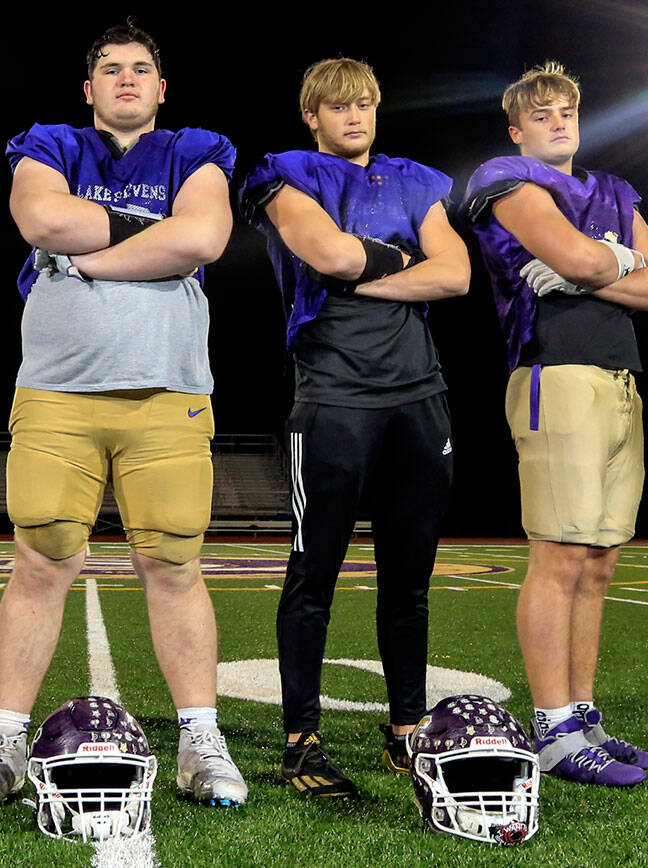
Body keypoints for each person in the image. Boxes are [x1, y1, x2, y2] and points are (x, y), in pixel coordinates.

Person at [0, 22, 246, 809]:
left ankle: (200, 737)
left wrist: (89, 254)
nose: (125, 80)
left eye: (140, 69)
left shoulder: (197, 149)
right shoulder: (48, 142)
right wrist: (158, 240)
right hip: (57, 390)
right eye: (110, 70)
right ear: (88, 89)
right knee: (41, 560)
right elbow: (43, 223)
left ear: (161, 87)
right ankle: (4, 737)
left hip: (168, 388)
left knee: (175, 564)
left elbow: (207, 236)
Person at [239, 58, 470, 799]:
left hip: (419, 394)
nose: (354, 116)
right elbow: (327, 251)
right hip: (334, 394)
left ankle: (407, 732)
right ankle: (301, 739)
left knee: (410, 581)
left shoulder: (416, 177)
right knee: (316, 575)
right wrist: (404, 262)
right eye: (339, 106)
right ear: (312, 114)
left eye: (365, 103)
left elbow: (457, 274)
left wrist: (363, 274)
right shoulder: (284, 172)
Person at [463, 61, 648, 785]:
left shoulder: (615, 191)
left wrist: (605, 264)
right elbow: (575, 255)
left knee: (599, 562)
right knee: (559, 558)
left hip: (621, 381)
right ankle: (554, 731)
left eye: (567, 111)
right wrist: (617, 261)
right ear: (517, 128)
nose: (559, 121)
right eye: (543, 114)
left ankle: (583, 717)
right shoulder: (505, 175)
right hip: (553, 373)